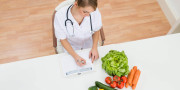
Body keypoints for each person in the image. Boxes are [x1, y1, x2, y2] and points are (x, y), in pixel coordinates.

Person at [54, 0, 102, 66]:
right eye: (85, 12)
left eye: (90, 13)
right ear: (76, 4)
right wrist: (75, 56)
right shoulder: (60, 15)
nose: (88, 15)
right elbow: (62, 39)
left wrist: (94, 48)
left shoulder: (94, 11)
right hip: (71, 48)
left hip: (89, 46)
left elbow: (96, 29)